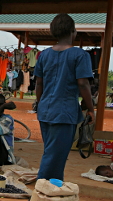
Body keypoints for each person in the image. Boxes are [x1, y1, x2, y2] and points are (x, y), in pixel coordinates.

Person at [34, 13, 94, 181]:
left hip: (45, 110)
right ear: (72, 31)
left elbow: (39, 84)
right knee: (55, 156)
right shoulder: (80, 55)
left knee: (52, 152)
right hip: (64, 112)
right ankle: (44, 189)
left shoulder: (44, 55)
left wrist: (42, 104)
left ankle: (52, 186)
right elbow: (83, 84)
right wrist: (90, 108)